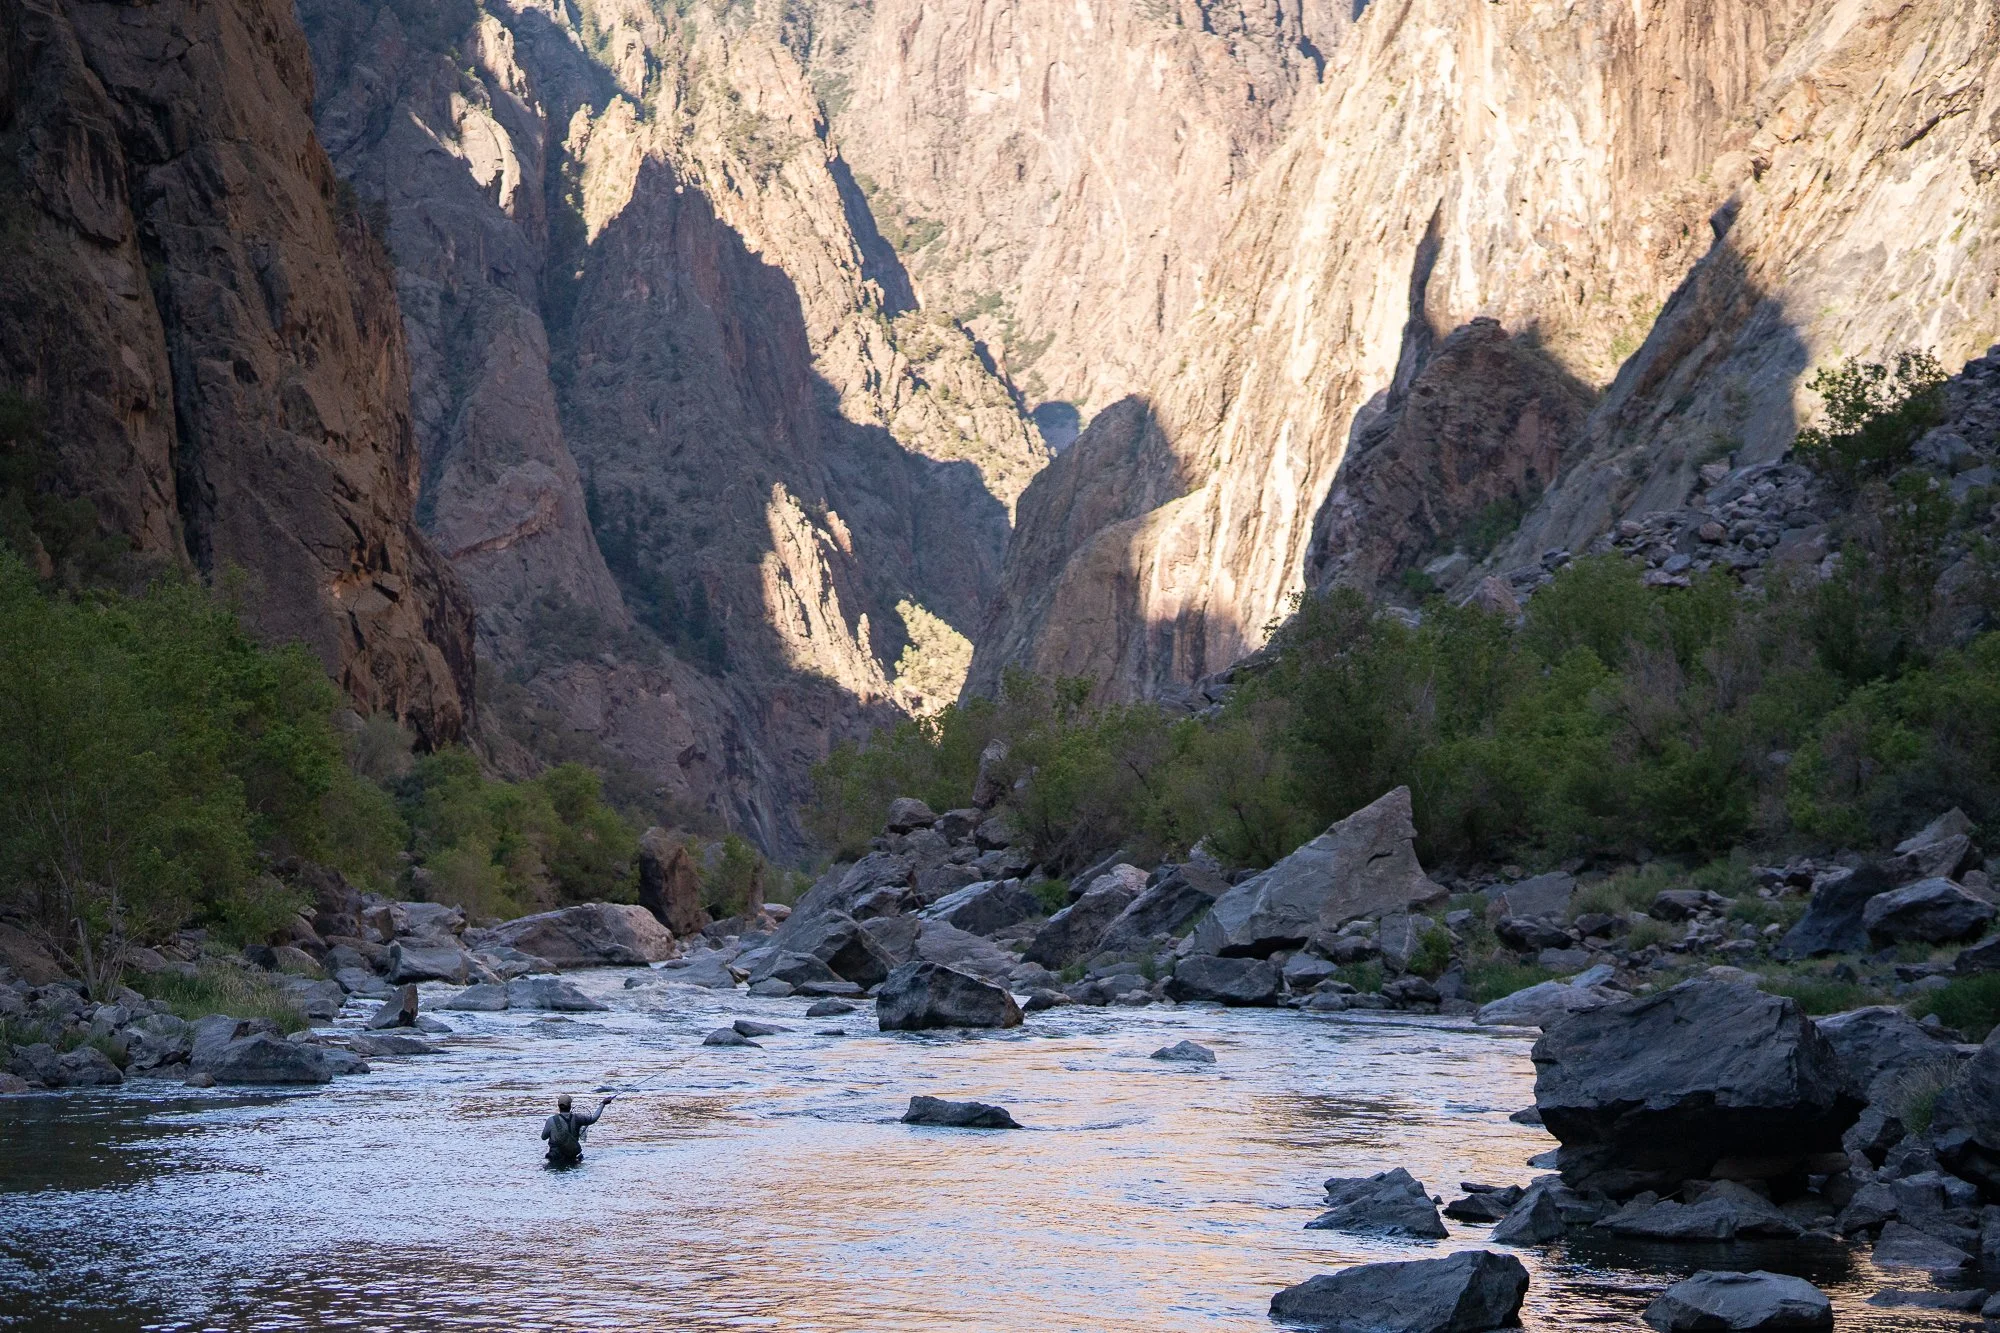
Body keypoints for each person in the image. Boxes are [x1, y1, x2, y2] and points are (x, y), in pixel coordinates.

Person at [541, 1092, 613, 1165]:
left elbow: (543, 1137)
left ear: (558, 1106)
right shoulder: (577, 1118)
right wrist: (603, 1104)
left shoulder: (551, 1120)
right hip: (572, 1157)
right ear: (570, 1105)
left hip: (555, 1157)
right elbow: (593, 1119)